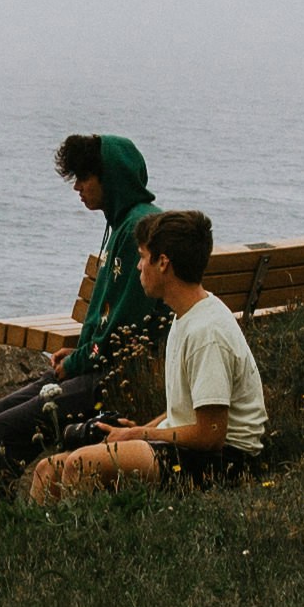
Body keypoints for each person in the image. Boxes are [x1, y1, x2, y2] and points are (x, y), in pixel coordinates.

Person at [28, 212, 268, 502]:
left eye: (143, 257)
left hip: (224, 461)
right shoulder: (185, 316)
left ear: (163, 263)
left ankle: (81, 543)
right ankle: (42, 543)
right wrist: (145, 430)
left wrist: (139, 436)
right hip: (195, 450)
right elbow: (191, 408)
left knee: (81, 465)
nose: (139, 266)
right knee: (47, 469)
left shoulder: (208, 333)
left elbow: (211, 434)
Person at [0, 132, 170, 475]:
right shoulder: (125, 224)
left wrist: (78, 362)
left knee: (4, 429)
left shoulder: (136, 231)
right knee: (0, 411)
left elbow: (125, 333)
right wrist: (79, 354)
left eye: (84, 177)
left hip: (114, 379)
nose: (77, 187)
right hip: (100, 367)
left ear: (110, 178)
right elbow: (111, 325)